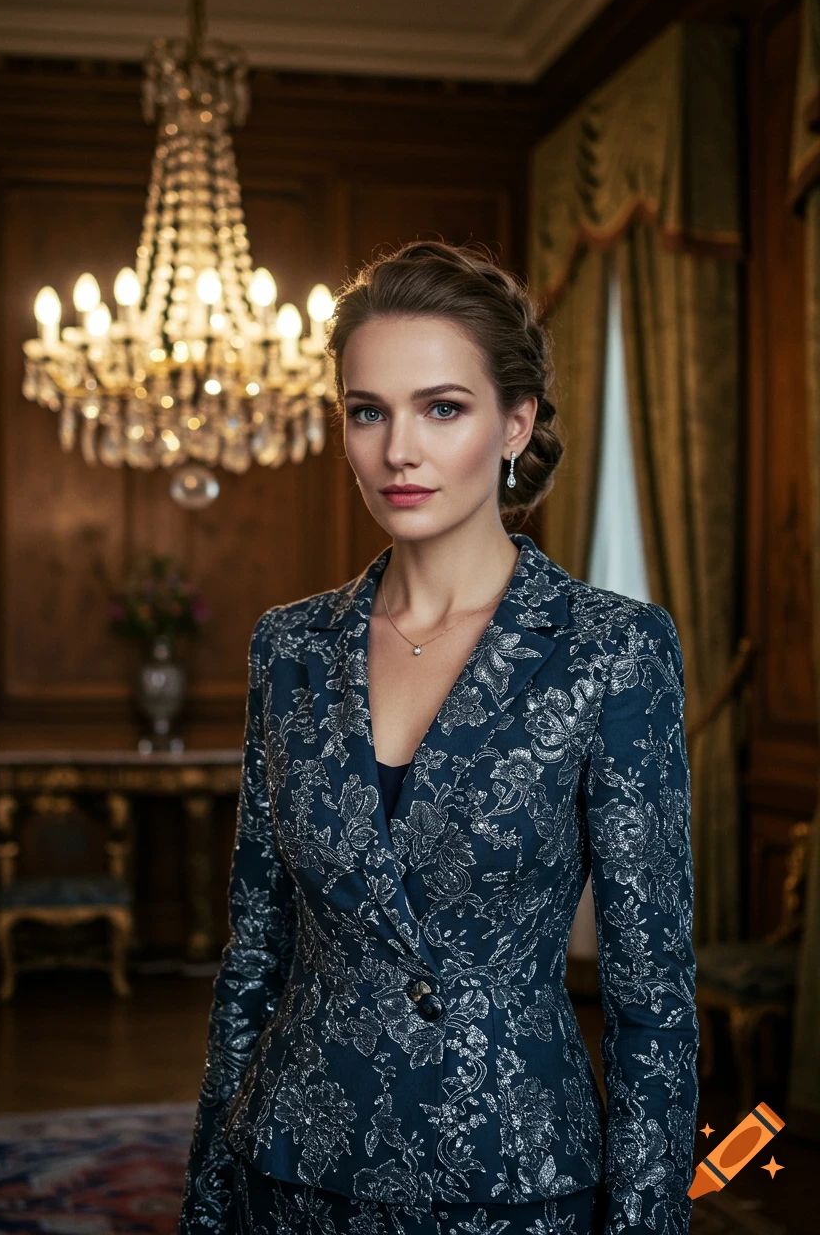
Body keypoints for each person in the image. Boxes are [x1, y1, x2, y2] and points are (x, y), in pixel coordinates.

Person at [178, 240, 698, 1235]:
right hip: (293, 1167)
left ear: (515, 421)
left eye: (440, 408)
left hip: (510, 1174)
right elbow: (255, 952)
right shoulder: (288, 646)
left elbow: (651, 997)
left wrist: (643, 1221)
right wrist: (208, 1195)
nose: (396, 451)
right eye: (367, 411)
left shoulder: (609, 651)